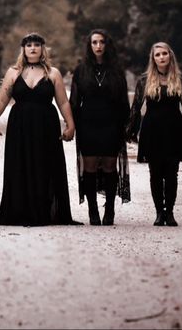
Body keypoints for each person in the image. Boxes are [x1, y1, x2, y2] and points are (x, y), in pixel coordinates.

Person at [0, 33, 78, 226]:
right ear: (24, 49)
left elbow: (62, 102)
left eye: (37, 44)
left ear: (42, 48)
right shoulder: (13, 72)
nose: (33, 48)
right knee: (19, 165)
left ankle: (43, 212)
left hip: (46, 125)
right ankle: (20, 212)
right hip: (19, 124)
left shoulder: (53, 73)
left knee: (45, 165)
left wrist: (70, 125)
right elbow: (3, 99)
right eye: (29, 45)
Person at [126, 42, 182, 227]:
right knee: (155, 173)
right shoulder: (144, 80)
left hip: (174, 130)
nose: (161, 57)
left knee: (172, 173)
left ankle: (170, 212)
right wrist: (130, 131)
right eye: (157, 55)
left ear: (170, 56)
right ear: (153, 58)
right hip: (152, 131)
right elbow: (136, 107)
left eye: (164, 53)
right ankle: (159, 212)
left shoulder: (179, 79)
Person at [69, 29, 130, 226]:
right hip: (88, 123)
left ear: (107, 45)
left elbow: (123, 101)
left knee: (110, 166)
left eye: (101, 42)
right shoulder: (81, 70)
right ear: (89, 45)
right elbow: (74, 102)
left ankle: (110, 208)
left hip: (112, 122)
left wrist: (126, 126)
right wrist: (72, 125)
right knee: (90, 167)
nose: (98, 46)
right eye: (94, 42)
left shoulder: (116, 70)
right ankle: (92, 210)